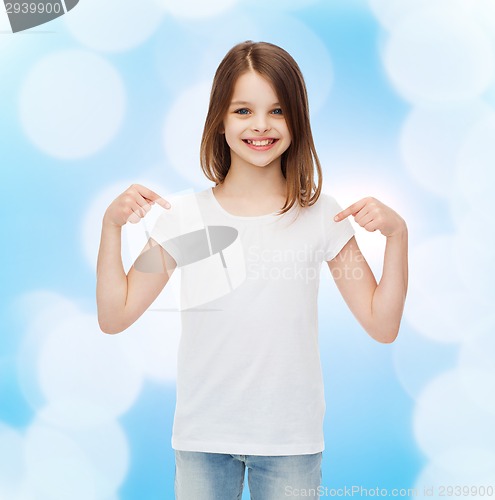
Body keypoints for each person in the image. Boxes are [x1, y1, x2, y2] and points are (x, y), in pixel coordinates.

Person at [96, 40, 408, 500]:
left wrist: (398, 236)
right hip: (204, 435)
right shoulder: (184, 215)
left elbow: (383, 325)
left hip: (290, 440)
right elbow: (114, 316)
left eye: (277, 111)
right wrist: (111, 226)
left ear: (296, 120)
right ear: (219, 120)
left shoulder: (322, 215)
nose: (260, 125)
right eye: (243, 110)